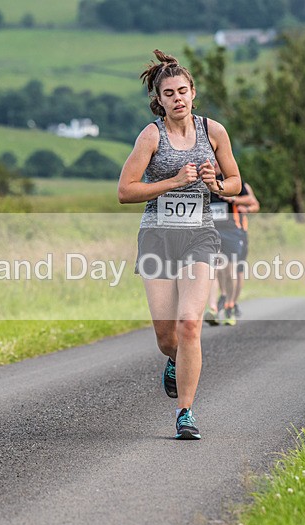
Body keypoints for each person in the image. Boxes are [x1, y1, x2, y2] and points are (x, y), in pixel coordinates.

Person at [117, 49, 241, 440]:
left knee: (190, 325)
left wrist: (214, 184)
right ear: (159, 99)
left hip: (200, 235)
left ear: (194, 92)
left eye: (183, 91)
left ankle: (185, 413)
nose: (178, 98)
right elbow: (125, 191)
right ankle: (175, 361)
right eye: (169, 93)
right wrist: (173, 181)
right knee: (167, 337)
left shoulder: (214, 132)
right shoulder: (151, 135)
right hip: (157, 236)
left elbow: (235, 183)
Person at [204, 179, 260, 326]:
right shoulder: (204, 180)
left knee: (233, 272)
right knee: (213, 270)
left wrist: (234, 199)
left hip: (235, 233)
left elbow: (253, 203)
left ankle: (230, 304)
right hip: (211, 232)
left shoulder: (237, 183)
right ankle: (214, 308)